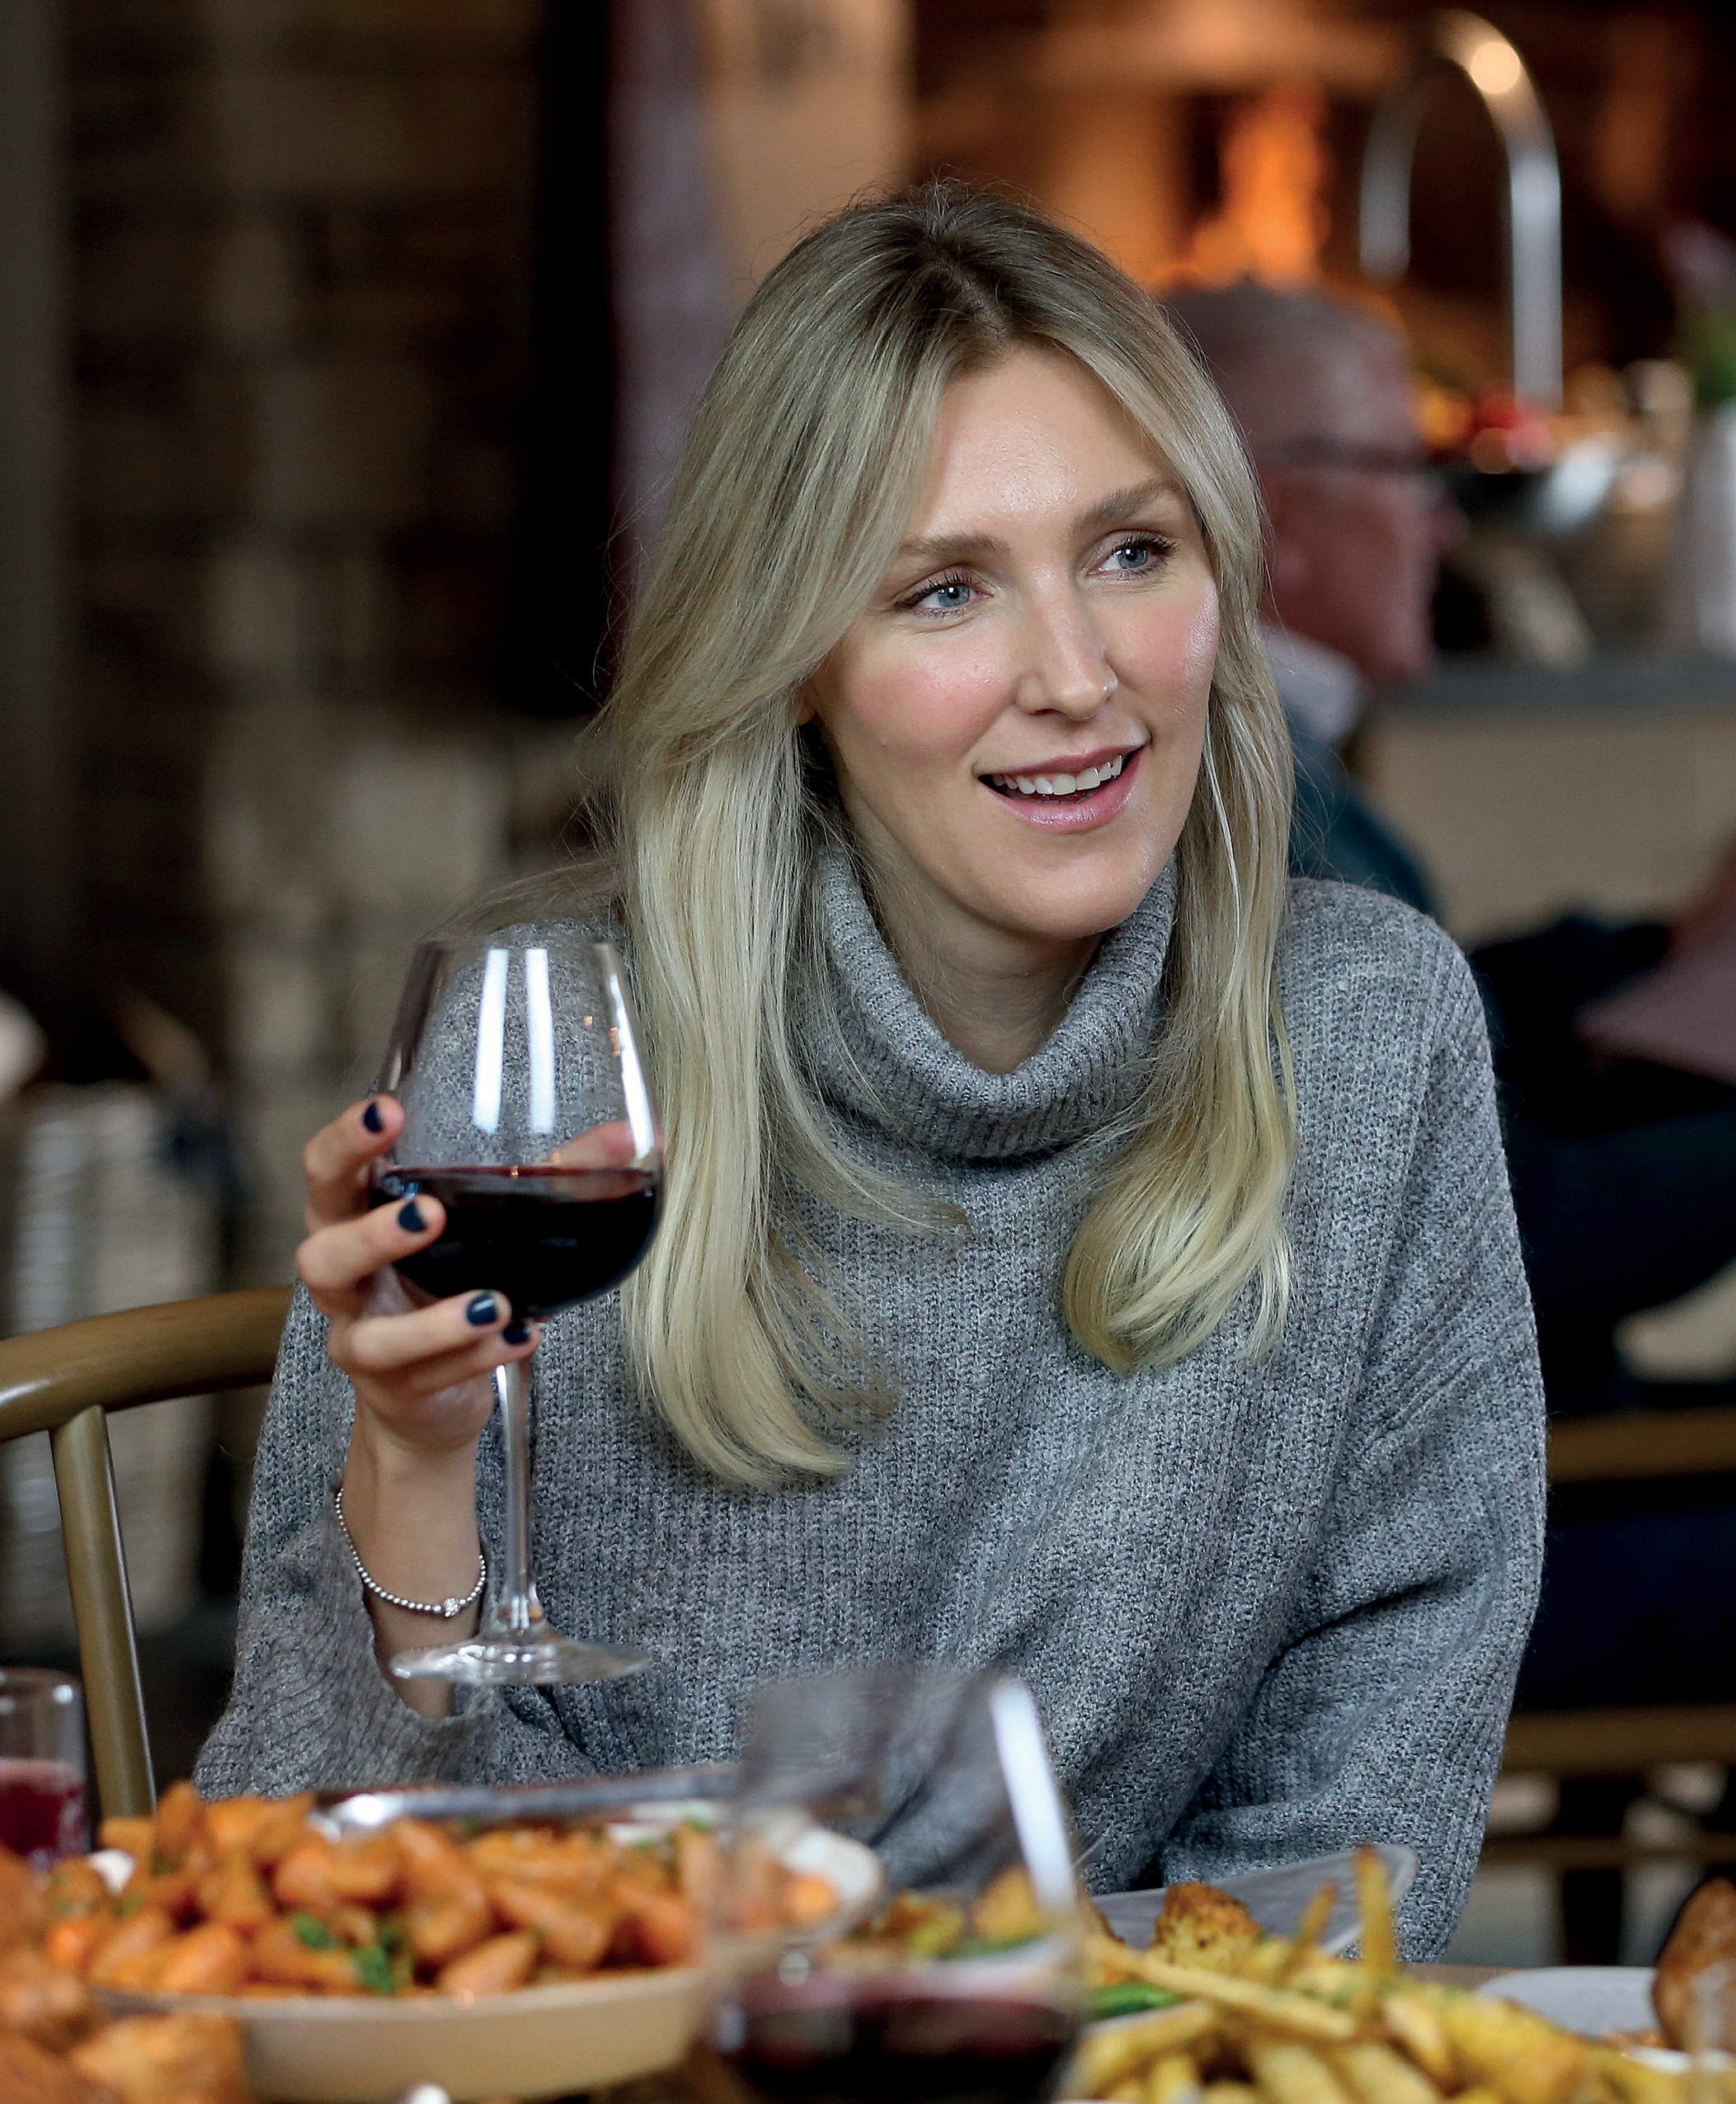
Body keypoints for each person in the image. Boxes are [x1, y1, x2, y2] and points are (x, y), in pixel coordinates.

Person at [195, 187, 1544, 1958]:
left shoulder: (1364, 1037)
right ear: (797, 666)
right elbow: (332, 1910)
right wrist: (415, 1483)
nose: (1075, 677)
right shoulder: (548, 1087)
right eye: (942, 590)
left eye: (1131, 552)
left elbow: (1346, 1864)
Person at [1164, 279, 1736, 1423]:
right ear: (1279, 520)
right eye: (1407, 472)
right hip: (1518, 1510)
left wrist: (1660, 948)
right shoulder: (1244, 807)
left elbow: (1435, 1027)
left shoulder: (1277, 761)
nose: (1445, 521)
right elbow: (1514, 1239)